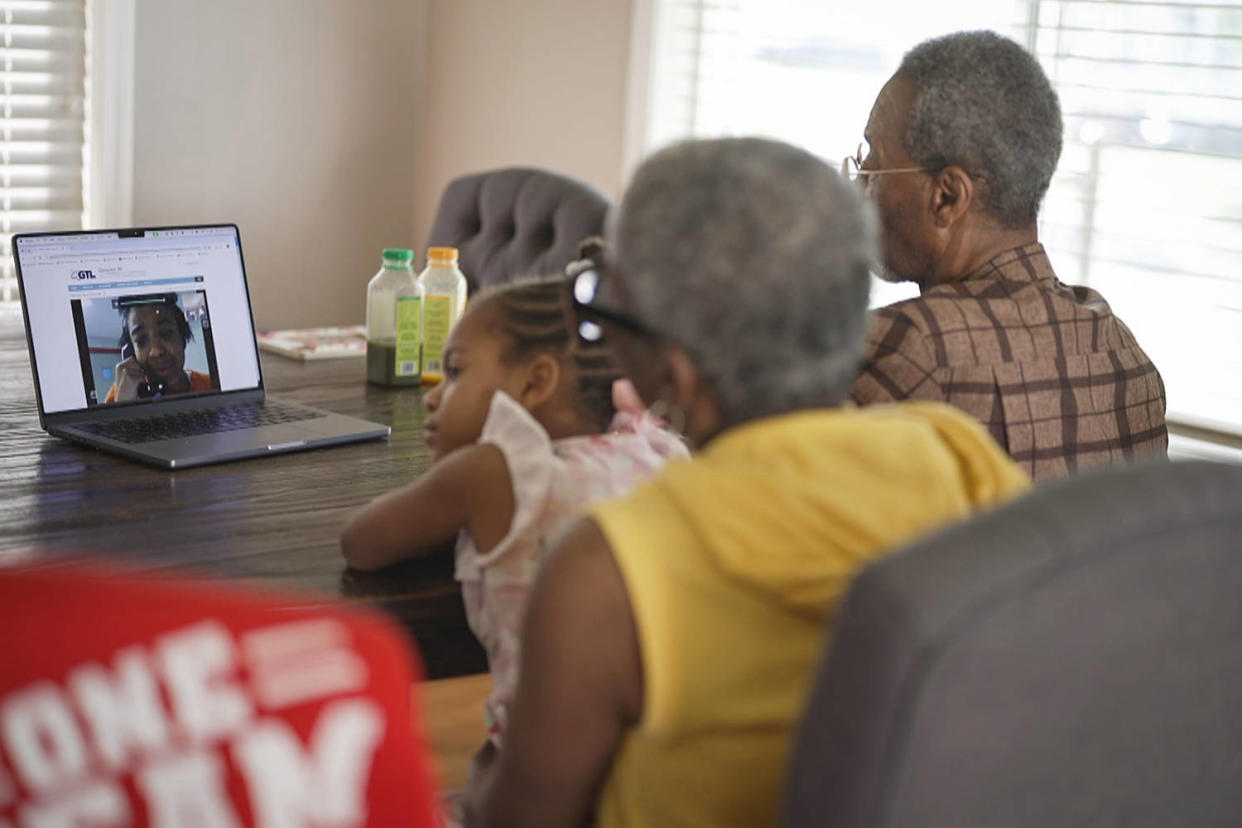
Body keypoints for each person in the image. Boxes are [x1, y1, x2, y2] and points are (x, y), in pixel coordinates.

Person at [464, 137, 1031, 827]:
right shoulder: (956, 454)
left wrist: (486, 771)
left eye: (605, 302)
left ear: (674, 365)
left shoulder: (608, 566)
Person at [339, 274, 686, 750]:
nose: (433, 396)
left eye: (456, 372)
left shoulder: (491, 470)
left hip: (543, 759)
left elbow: (361, 543)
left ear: (535, 381)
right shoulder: (655, 446)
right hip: (659, 736)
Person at [847, 31, 1168, 482]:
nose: (859, 182)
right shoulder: (1126, 354)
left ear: (947, 196)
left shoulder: (905, 346)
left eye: (873, 162)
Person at [105, 293, 212, 402]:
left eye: (166, 333)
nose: (156, 352)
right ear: (132, 352)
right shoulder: (119, 395)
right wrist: (125, 407)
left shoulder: (211, 385)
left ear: (182, 337)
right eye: (141, 341)